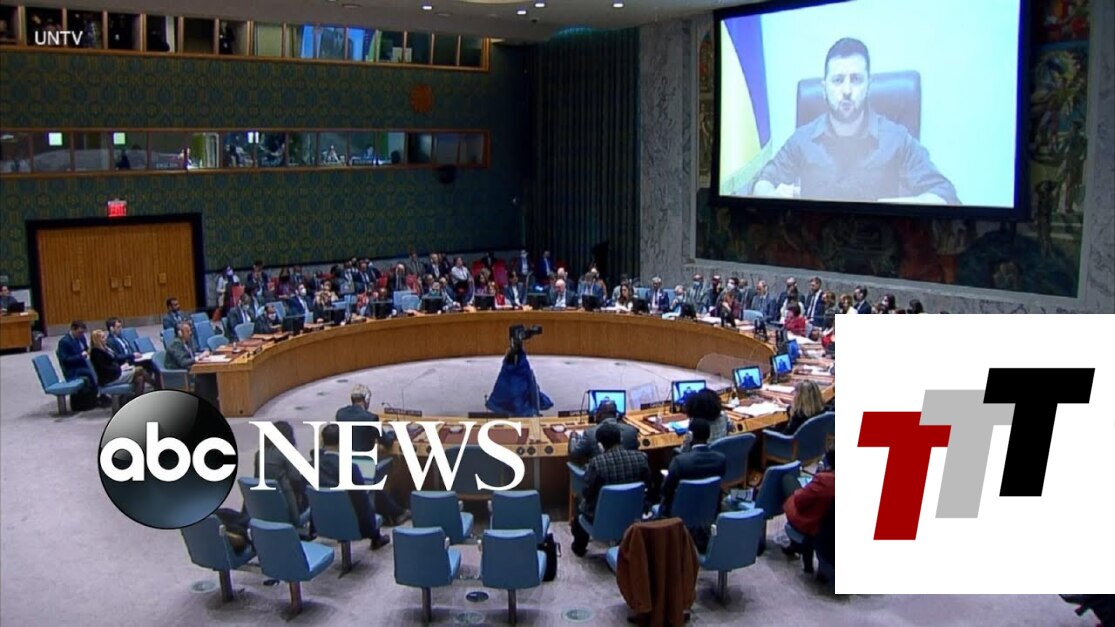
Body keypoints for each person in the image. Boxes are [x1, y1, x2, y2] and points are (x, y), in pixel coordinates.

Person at [750, 38, 959, 205]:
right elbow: (762, 182)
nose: (847, 90)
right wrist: (772, 196)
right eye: (838, 80)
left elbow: (945, 194)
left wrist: (897, 207)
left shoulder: (897, 139)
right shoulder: (801, 140)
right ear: (824, 88)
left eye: (856, 79)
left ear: (868, 85)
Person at [571, 422, 653, 557]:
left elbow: (588, 493)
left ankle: (579, 547)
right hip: (634, 514)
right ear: (621, 439)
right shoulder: (641, 458)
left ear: (600, 445)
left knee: (581, 507)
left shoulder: (597, 463)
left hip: (601, 517)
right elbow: (649, 487)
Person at [317, 424, 391, 550]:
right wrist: (372, 530)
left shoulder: (312, 465)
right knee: (368, 496)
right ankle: (376, 538)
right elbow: (362, 503)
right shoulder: (350, 468)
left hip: (322, 522)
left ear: (323, 442)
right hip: (353, 524)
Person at [659, 419, 726, 549]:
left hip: (678, 514)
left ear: (690, 435)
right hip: (708, 510)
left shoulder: (680, 461)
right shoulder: (720, 460)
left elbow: (665, 491)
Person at [781, 449, 835, 574]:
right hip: (829, 527)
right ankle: (795, 545)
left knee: (787, 480)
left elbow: (800, 502)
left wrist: (799, 492)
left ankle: (795, 544)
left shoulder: (824, 481)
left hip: (813, 523)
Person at [254, 420, 309, 524]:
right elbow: (296, 479)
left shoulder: (259, 454)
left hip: (264, 509)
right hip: (290, 512)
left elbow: (256, 477)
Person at [569, 399, 639, 461]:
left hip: (599, 469)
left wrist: (573, 438)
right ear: (616, 415)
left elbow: (574, 454)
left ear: (599, 414)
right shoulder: (631, 430)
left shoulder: (590, 433)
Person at [90, 330, 152, 396]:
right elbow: (105, 370)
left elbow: (116, 358)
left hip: (115, 373)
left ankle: (136, 400)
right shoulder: (96, 353)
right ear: (97, 340)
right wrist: (120, 368)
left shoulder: (106, 349)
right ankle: (156, 387)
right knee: (140, 370)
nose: (105, 338)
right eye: (103, 337)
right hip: (109, 378)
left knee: (140, 379)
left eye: (104, 336)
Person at [56, 320, 96, 391]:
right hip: (73, 369)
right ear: (72, 329)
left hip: (84, 364)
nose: (81, 335)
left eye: (83, 332)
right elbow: (65, 360)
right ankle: (96, 392)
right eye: (79, 332)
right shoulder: (64, 342)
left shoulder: (81, 337)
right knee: (91, 372)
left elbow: (86, 349)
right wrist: (80, 356)